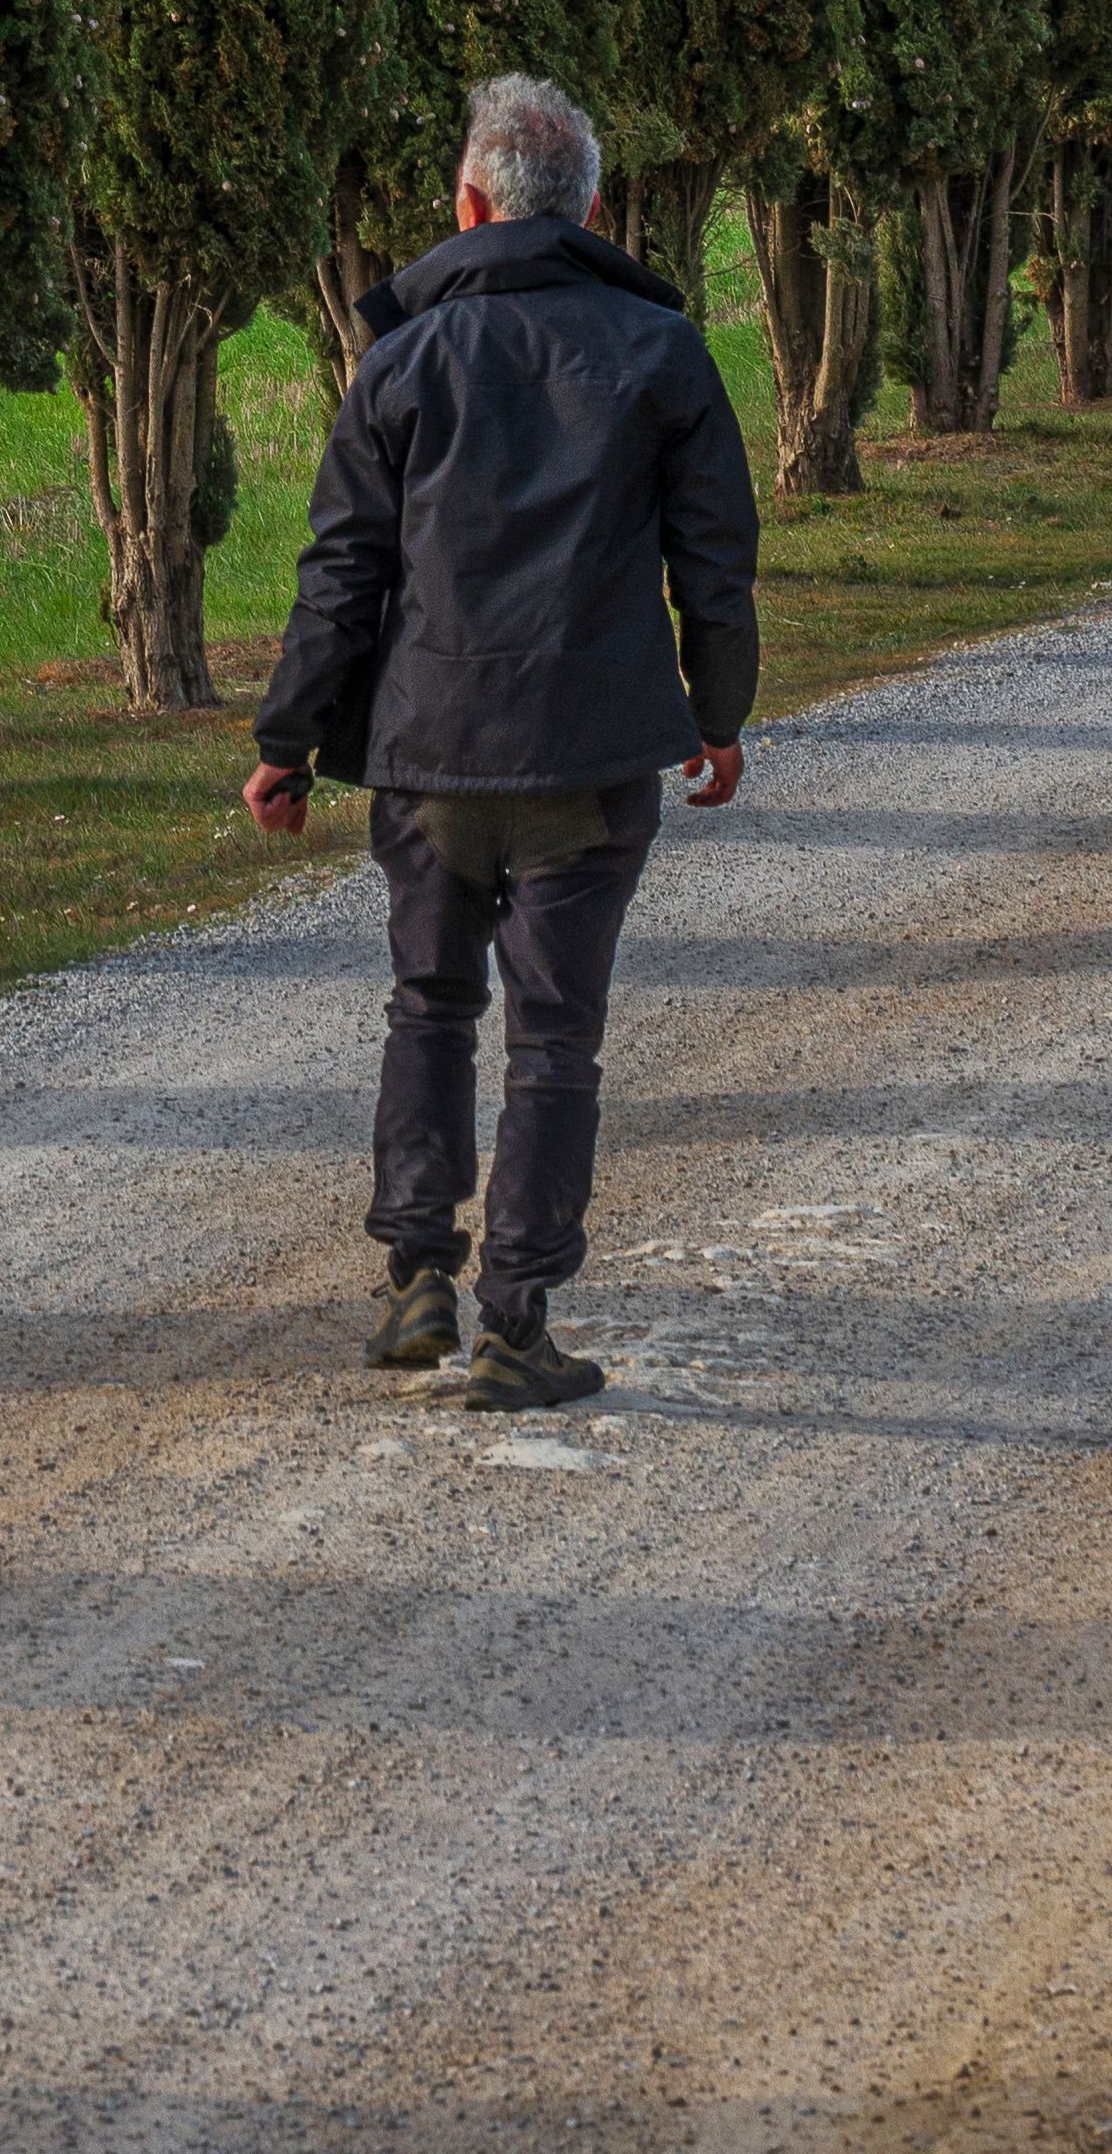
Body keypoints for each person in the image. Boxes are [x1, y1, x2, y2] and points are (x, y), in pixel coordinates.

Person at [245, 74, 758, 1411]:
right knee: (553, 1039)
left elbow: (340, 576)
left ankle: (417, 1272)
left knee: (428, 1004)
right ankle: (517, 1321)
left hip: (427, 758)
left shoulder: (399, 361)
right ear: (590, 207)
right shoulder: (659, 350)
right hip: (589, 762)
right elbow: (716, 561)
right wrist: (720, 714)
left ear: (469, 204)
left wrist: (288, 743)